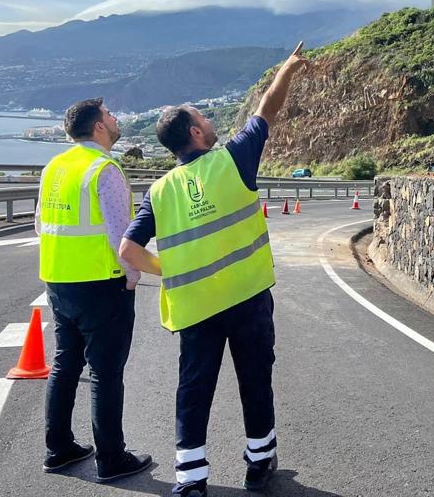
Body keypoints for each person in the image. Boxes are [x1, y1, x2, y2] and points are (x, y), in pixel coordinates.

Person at [120, 42, 310, 496]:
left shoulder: (160, 192)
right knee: (255, 381)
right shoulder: (234, 160)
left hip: (196, 306)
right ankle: (259, 464)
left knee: (194, 387)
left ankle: (190, 479)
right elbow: (268, 110)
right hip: (246, 297)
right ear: (197, 133)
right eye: (202, 118)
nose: (211, 121)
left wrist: (173, 270)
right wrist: (287, 69)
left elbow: (128, 250)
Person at [36, 98, 152, 482]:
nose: (116, 119)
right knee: (105, 371)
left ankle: (59, 449)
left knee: (66, 363)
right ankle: (111, 459)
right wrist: (132, 276)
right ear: (99, 128)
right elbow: (121, 237)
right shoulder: (105, 169)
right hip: (102, 284)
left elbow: (40, 224)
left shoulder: (55, 166)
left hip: (58, 280)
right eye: (110, 115)